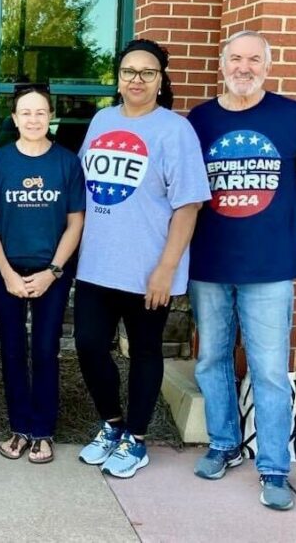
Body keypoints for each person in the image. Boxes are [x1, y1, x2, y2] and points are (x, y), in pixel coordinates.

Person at [187, 30, 296, 511]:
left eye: (254, 59)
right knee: (211, 359)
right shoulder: (199, 119)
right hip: (208, 261)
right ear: (222, 65)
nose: (244, 67)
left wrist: (278, 228)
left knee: (268, 369)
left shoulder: (295, 116)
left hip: (269, 267)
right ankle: (223, 444)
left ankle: (273, 467)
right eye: (236, 59)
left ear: (268, 65)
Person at [74, 38, 212, 478]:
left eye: (147, 72)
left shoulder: (175, 130)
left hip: (149, 269)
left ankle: (136, 438)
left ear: (160, 80)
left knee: (145, 353)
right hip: (96, 264)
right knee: (90, 346)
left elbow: (188, 205)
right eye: (129, 71)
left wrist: (167, 268)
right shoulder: (101, 120)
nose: (137, 79)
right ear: (118, 78)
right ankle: (112, 424)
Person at [0, 83, 86, 463]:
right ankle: (19, 428)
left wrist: (53, 271)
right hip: (8, 270)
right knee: (11, 351)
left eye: (40, 112)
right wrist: (4, 271)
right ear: (14, 118)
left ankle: (43, 431)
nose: (34, 119)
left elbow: (76, 223)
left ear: (51, 115)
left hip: (50, 273)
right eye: (26, 112)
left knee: (44, 350)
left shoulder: (67, 162)